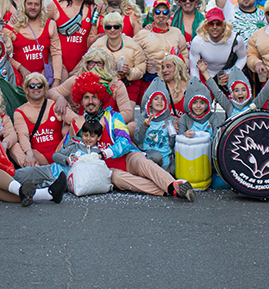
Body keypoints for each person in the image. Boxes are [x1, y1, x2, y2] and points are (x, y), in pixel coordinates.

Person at [68, 72, 195, 201]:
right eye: (86, 97)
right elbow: (66, 150)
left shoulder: (113, 117)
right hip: (106, 169)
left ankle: (172, 184)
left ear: (101, 98)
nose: (90, 101)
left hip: (128, 157)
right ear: (80, 100)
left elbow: (124, 141)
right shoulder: (76, 123)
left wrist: (105, 153)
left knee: (142, 163)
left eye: (94, 97)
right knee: (119, 179)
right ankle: (170, 190)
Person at [49, 48, 134, 123]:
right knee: (65, 129)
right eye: (92, 63)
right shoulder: (77, 80)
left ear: (106, 65)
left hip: (108, 124)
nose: (95, 66)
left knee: (132, 127)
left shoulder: (116, 84)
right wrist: (60, 98)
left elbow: (127, 112)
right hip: (83, 124)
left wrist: (106, 122)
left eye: (99, 63)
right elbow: (51, 92)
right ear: (86, 65)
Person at [4, 0, 62, 87]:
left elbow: (56, 53)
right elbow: (3, 55)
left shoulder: (50, 25)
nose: (33, 7)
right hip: (18, 80)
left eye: (36, 4)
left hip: (43, 80)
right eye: (29, 4)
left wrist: (57, 79)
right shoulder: (13, 25)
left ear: (41, 6)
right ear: (24, 5)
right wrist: (20, 67)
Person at [14, 72, 74, 167]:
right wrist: (29, 153)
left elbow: (76, 120)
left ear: (45, 88)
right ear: (26, 90)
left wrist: (66, 129)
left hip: (60, 153)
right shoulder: (19, 112)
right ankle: (34, 169)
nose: (36, 88)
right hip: (37, 157)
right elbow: (23, 135)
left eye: (40, 85)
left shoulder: (55, 105)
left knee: (71, 128)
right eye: (32, 86)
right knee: (14, 146)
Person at [49, 0, 99, 80]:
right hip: (59, 63)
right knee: (58, 95)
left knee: (75, 96)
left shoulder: (92, 9)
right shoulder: (55, 5)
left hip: (80, 65)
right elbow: (38, 22)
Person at [91, 11, 146, 103]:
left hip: (129, 85)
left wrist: (129, 71)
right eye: (109, 27)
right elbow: (88, 67)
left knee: (127, 115)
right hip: (105, 86)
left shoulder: (133, 45)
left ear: (121, 27)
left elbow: (141, 68)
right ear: (104, 29)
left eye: (116, 27)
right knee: (107, 114)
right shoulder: (96, 46)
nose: (112, 30)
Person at [134, 0, 188, 88]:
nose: (161, 15)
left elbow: (184, 53)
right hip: (150, 80)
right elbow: (133, 54)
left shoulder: (176, 32)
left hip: (174, 80)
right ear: (153, 14)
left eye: (165, 12)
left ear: (169, 14)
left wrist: (183, 69)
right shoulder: (143, 33)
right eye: (158, 12)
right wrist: (144, 64)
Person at [189, 7, 247, 87]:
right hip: (205, 77)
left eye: (218, 24)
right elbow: (193, 68)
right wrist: (197, 87)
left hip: (226, 78)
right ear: (206, 26)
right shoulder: (198, 41)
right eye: (211, 24)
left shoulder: (236, 40)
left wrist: (232, 73)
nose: (215, 27)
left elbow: (243, 57)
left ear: (224, 26)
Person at [199, 64, 269, 117]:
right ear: (232, 93)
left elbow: (266, 90)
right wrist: (204, 71)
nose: (240, 93)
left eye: (243, 90)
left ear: (248, 91)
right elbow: (216, 91)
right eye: (236, 91)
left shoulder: (255, 105)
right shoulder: (229, 106)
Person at [133, 78, 175, 173]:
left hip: (166, 155)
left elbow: (172, 143)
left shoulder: (169, 119)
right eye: (156, 99)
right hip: (150, 154)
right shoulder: (143, 117)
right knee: (156, 157)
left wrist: (173, 133)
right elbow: (137, 139)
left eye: (162, 99)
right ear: (150, 103)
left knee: (173, 171)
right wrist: (144, 126)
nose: (159, 101)